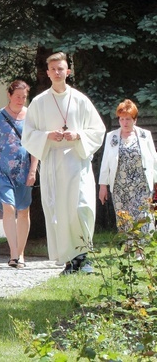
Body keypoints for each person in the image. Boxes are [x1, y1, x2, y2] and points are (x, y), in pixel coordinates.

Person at [22, 52, 106, 275]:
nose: (58, 72)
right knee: (59, 210)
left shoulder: (80, 100)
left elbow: (98, 130)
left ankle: (84, 255)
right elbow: (28, 134)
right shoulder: (39, 103)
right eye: (53, 69)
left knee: (82, 207)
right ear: (48, 73)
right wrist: (48, 135)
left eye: (61, 68)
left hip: (77, 162)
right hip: (54, 164)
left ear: (68, 71)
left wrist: (78, 136)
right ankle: (70, 260)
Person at [0, 80, 38, 269]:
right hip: (1, 169)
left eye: (24, 97)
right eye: (17, 96)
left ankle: (21, 253)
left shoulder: (31, 117)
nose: (20, 100)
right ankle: (13, 254)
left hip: (24, 170)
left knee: (23, 210)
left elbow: (35, 146)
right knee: (9, 208)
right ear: (9, 95)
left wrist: (33, 169)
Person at [98, 99, 157, 235]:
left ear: (135, 120)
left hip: (141, 185)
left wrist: (155, 181)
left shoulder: (144, 135)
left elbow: (154, 159)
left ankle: (139, 251)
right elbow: (105, 161)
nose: (125, 122)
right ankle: (130, 248)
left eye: (128, 119)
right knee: (124, 218)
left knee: (142, 217)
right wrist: (102, 186)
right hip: (120, 186)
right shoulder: (111, 137)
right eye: (122, 119)